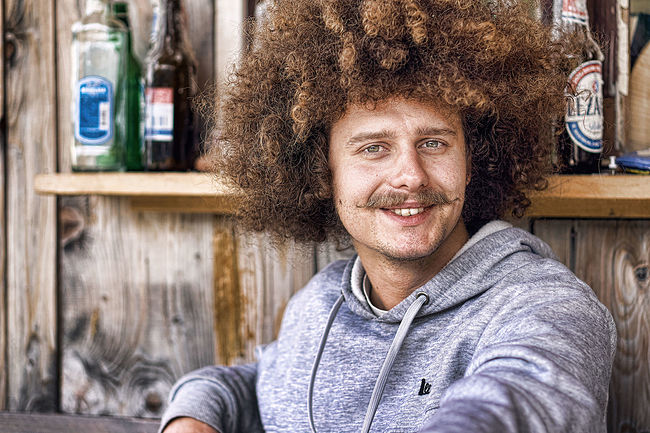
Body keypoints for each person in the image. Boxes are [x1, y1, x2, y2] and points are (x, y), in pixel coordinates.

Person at [160, 0, 617, 432]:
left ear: (471, 160)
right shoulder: (320, 302)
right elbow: (260, 382)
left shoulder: (546, 306)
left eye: (434, 143)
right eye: (374, 148)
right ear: (323, 171)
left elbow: (515, 404)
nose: (410, 176)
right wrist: (194, 413)